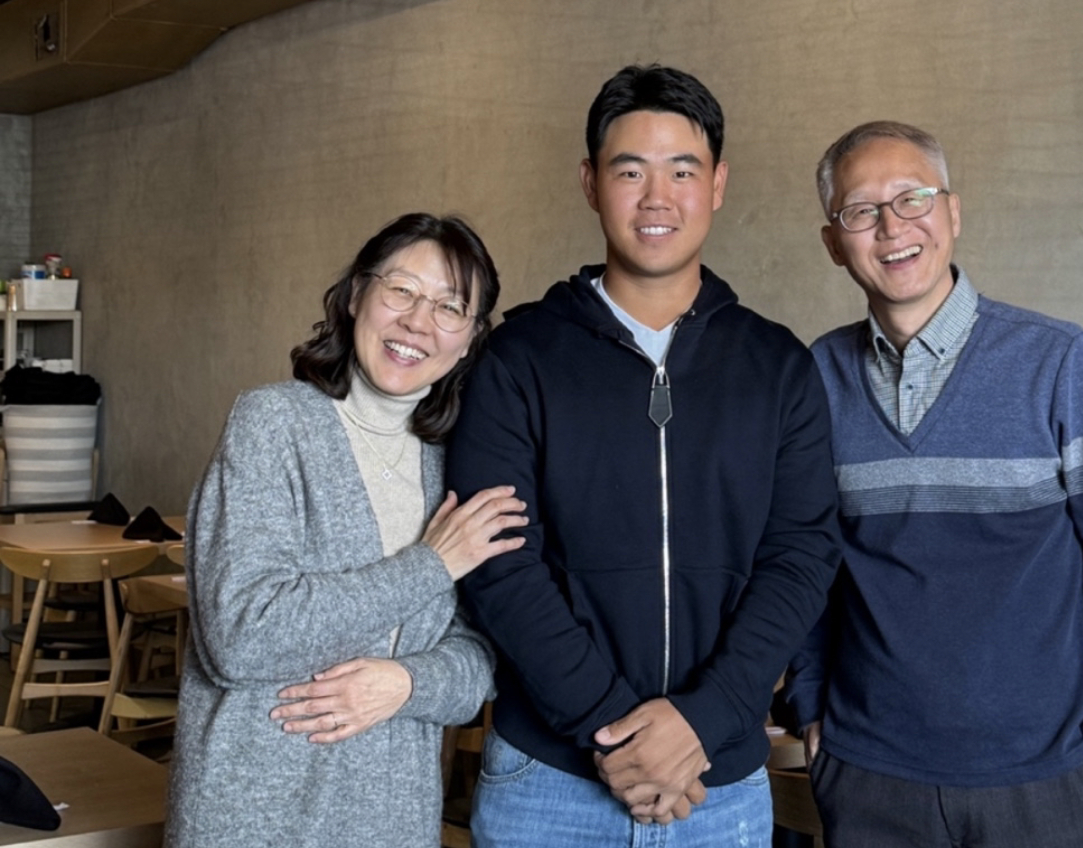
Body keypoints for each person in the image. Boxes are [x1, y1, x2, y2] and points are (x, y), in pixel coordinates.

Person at [445, 64, 842, 847]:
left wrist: (703, 720)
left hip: (718, 786)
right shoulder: (518, 357)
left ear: (718, 183)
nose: (656, 197)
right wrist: (615, 735)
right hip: (548, 784)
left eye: (682, 170)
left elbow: (800, 555)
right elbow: (498, 563)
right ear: (591, 183)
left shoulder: (779, 366)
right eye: (630, 170)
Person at [785, 121, 1083, 848]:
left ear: (953, 213)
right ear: (835, 242)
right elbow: (810, 566)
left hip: (1042, 782)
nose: (891, 227)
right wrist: (812, 711)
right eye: (860, 211)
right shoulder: (818, 377)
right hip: (868, 777)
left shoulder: (1060, 363)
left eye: (912, 198)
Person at [165, 213, 529, 848]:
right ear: (358, 294)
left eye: (450, 307)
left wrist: (407, 682)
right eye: (402, 290)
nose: (419, 322)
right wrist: (430, 565)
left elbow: (478, 658)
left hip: (391, 819)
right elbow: (241, 635)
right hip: (255, 816)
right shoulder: (273, 425)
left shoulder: (454, 461)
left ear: (470, 339)